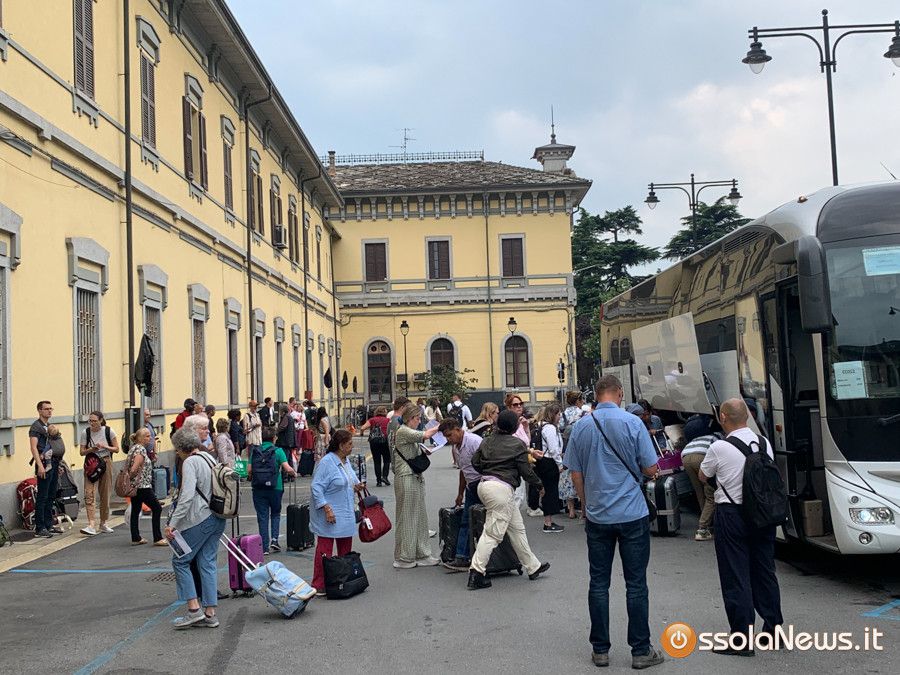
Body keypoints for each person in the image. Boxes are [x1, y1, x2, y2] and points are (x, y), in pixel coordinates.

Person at [566, 375, 664, 669]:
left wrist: (585, 505)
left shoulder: (581, 426)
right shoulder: (633, 423)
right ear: (619, 393)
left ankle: (600, 650)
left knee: (598, 583)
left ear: (596, 395)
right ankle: (641, 650)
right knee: (636, 584)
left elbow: (575, 473)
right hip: (632, 513)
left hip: (598, 515)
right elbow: (650, 468)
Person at [700, 399, 784, 655]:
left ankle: (742, 639)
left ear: (723, 417)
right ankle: (773, 630)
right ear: (747, 416)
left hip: (731, 514)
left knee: (736, 575)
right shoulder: (764, 443)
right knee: (765, 571)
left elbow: (704, 475)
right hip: (762, 514)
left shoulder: (719, 447)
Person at [467, 410, 550, 590]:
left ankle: (533, 566)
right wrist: (539, 485)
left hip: (485, 484)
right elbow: (526, 471)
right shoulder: (517, 444)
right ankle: (476, 572)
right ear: (514, 427)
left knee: (517, 528)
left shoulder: (487, 440)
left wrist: (488, 471)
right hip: (501, 489)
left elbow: (475, 462)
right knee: (492, 534)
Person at [165, 427, 226, 629]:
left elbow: (187, 496)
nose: (176, 452)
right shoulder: (209, 458)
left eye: (176, 449)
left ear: (181, 448)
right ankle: (210, 613)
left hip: (200, 518)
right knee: (207, 562)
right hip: (218, 515)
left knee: (180, 561)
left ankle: (193, 609)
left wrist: (173, 524)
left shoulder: (190, 462)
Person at [310, 429, 366, 595]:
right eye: (350, 444)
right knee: (324, 550)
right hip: (330, 513)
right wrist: (326, 508)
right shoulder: (327, 463)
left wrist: (357, 486)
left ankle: (344, 580)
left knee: (345, 549)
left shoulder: (345, 461)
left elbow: (350, 480)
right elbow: (316, 487)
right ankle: (319, 584)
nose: (352, 446)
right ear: (341, 446)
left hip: (345, 511)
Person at [392, 403, 441, 568]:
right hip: (406, 477)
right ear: (409, 418)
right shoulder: (403, 431)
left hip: (414, 477)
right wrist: (440, 426)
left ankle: (422, 553)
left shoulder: (406, 431)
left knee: (419, 517)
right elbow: (425, 434)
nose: (419, 421)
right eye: (417, 418)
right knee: (407, 517)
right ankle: (404, 557)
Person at [440, 418, 483, 571]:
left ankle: (485, 558)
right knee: (466, 521)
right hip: (471, 486)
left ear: (458, 430)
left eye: (450, 435)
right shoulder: (456, 448)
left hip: (482, 483)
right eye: (446, 437)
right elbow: (463, 471)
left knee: (484, 521)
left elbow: (489, 464)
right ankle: (461, 557)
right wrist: (460, 494)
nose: (448, 439)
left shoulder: (474, 442)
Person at [248, 427, 297, 553]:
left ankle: (264, 547)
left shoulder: (255, 451)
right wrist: (294, 473)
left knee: (262, 516)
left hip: (258, 487)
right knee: (275, 513)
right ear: (274, 438)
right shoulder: (278, 451)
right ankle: (274, 540)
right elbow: (287, 468)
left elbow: (249, 470)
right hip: (276, 487)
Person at [79, 410, 120, 536]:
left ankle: (103, 522)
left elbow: (116, 449)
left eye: (94, 421)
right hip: (91, 463)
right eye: (90, 421)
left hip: (105, 462)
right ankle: (91, 524)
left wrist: (105, 446)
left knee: (105, 493)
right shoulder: (85, 432)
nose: (92, 423)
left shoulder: (109, 431)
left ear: (101, 420)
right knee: (89, 493)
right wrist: (92, 449)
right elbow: (81, 452)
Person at [126, 428, 166, 547]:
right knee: (157, 508)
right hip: (142, 485)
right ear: (141, 438)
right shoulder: (141, 450)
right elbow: (134, 468)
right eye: (147, 436)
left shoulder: (133, 448)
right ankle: (157, 537)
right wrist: (132, 476)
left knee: (136, 509)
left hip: (135, 486)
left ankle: (135, 537)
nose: (150, 438)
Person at [681, 431, 722, 541]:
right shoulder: (717, 437)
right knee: (710, 494)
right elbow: (719, 453)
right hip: (701, 457)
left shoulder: (698, 437)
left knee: (699, 492)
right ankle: (703, 527)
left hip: (686, 457)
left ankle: (706, 521)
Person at [29, 401, 61, 538]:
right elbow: (33, 447)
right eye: (46, 409)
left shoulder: (49, 426)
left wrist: (59, 465)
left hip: (53, 462)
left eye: (50, 408)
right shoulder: (36, 427)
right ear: (39, 411)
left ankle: (49, 525)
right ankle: (40, 527)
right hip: (43, 464)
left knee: (51, 495)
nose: (49, 411)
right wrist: (40, 466)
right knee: (42, 496)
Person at [536, 403, 565, 534]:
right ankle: (548, 523)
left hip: (544, 461)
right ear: (553, 415)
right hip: (549, 462)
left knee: (547, 490)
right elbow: (553, 449)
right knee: (550, 491)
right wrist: (560, 464)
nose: (560, 417)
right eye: (558, 414)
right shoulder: (550, 429)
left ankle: (548, 521)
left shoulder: (542, 426)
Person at [361, 406, 391, 486]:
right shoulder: (388, 420)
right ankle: (384, 477)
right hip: (385, 441)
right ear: (385, 412)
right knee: (386, 460)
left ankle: (378, 481)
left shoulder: (372, 420)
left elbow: (363, 428)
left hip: (374, 442)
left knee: (377, 461)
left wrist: (362, 433)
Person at [275, 403, 297, 469]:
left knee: (285, 458)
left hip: (285, 442)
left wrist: (275, 431)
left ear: (282, 411)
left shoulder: (286, 417)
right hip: (289, 441)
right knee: (289, 458)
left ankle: (285, 473)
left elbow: (282, 427)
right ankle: (291, 473)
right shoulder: (289, 417)